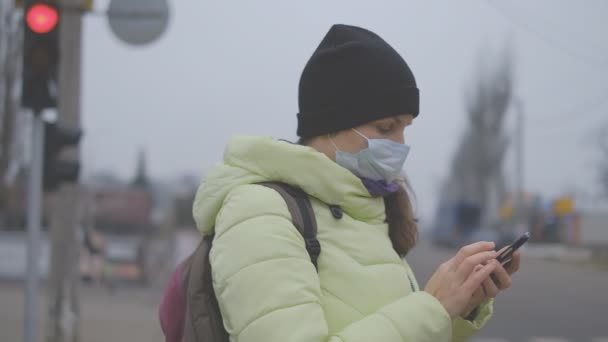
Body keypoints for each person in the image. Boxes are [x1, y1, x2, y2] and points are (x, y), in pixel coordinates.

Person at [187, 24, 521, 342]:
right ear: (330, 124)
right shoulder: (260, 212)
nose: (400, 144)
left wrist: (459, 304)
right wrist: (432, 308)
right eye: (386, 127)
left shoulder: (366, 209)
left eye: (406, 127)